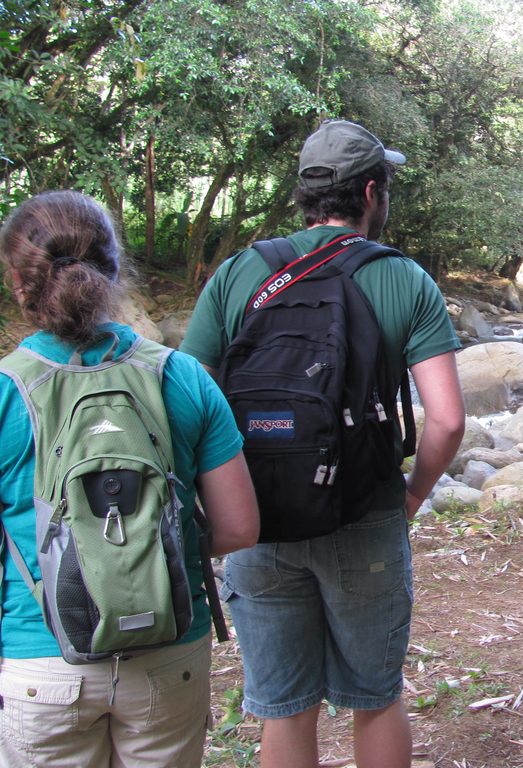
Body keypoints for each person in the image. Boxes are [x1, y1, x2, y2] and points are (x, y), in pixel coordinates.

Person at [180, 119, 465, 768]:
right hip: (365, 516)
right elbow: (447, 421)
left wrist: (218, 507)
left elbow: (186, 397)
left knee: (285, 709)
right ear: (371, 193)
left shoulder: (238, 273)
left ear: (307, 194)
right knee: (375, 699)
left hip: (257, 523)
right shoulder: (404, 280)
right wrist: (413, 494)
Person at [0, 190, 260, 767]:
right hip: (168, 652)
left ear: (19, 281)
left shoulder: (3, 391)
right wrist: (150, 547)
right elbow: (240, 528)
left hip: (40, 662)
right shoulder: (182, 376)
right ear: (115, 273)